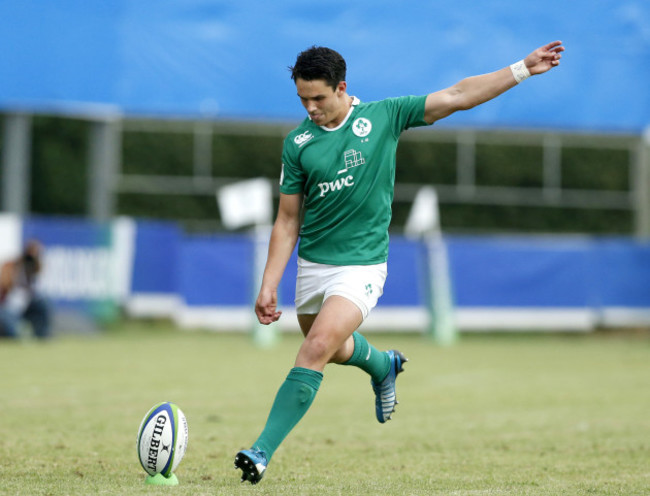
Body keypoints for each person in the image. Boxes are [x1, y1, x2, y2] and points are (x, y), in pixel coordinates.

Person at [234, 41, 565, 484]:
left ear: (342, 88)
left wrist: (522, 69)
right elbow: (288, 218)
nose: (310, 108)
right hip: (314, 265)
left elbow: (457, 96)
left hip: (363, 267)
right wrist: (269, 282)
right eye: (302, 100)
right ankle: (383, 365)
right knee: (329, 348)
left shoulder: (383, 116)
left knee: (314, 350)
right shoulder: (298, 143)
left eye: (318, 98)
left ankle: (260, 452)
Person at [0, 239, 51, 340]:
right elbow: (5, 285)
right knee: (13, 333)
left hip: (25, 306)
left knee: (43, 304)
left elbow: (35, 292)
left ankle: (41, 335)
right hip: (8, 308)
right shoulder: (12, 266)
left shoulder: (35, 270)